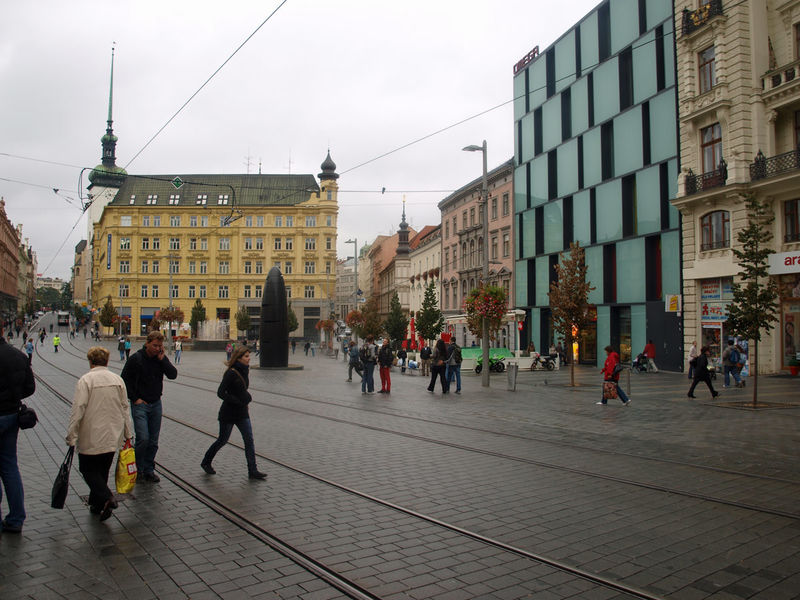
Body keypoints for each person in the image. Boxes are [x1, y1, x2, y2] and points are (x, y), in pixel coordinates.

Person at [66, 347, 133, 521]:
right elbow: (125, 408)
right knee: (102, 470)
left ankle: (107, 497)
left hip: (91, 433)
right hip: (113, 433)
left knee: (87, 469)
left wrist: (72, 435)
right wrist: (128, 434)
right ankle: (97, 505)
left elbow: (78, 408)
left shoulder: (86, 380)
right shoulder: (117, 379)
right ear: (107, 361)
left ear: (90, 361)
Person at [120, 331, 178, 483]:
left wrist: (163, 359)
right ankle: (138, 468)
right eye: (155, 345)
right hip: (141, 405)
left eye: (160, 346)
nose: (158, 348)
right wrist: (135, 398)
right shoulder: (136, 359)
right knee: (143, 438)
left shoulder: (160, 359)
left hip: (156, 404)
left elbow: (173, 374)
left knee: (153, 440)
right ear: (147, 343)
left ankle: (149, 469)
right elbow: (124, 380)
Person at [201, 346, 266, 479]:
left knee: (249, 440)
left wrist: (245, 397)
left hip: (242, 412)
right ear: (239, 358)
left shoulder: (245, 371)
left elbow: (241, 389)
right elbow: (220, 392)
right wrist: (236, 400)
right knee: (222, 440)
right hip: (228, 413)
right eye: (246, 356)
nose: (249, 359)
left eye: (249, 356)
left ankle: (252, 470)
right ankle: (206, 461)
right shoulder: (231, 373)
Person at [0, 324, 35, 533]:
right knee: (9, 467)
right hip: (10, 417)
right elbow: (29, 388)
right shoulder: (17, 356)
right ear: (3, 330)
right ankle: (16, 518)